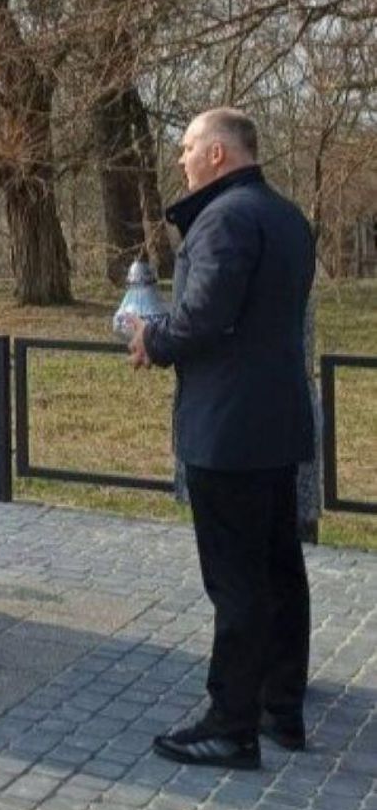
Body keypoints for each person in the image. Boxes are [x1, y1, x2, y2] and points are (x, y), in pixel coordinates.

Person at [123, 108, 315, 770]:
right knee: (278, 569)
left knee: (236, 583)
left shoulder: (225, 219)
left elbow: (203, 315)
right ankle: (279, 707)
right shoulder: (286, 216)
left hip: (228, 430)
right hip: (276, 423)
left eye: (188, 147)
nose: (179, 159)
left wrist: (155, 338)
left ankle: (231, 723)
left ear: (218, 155)